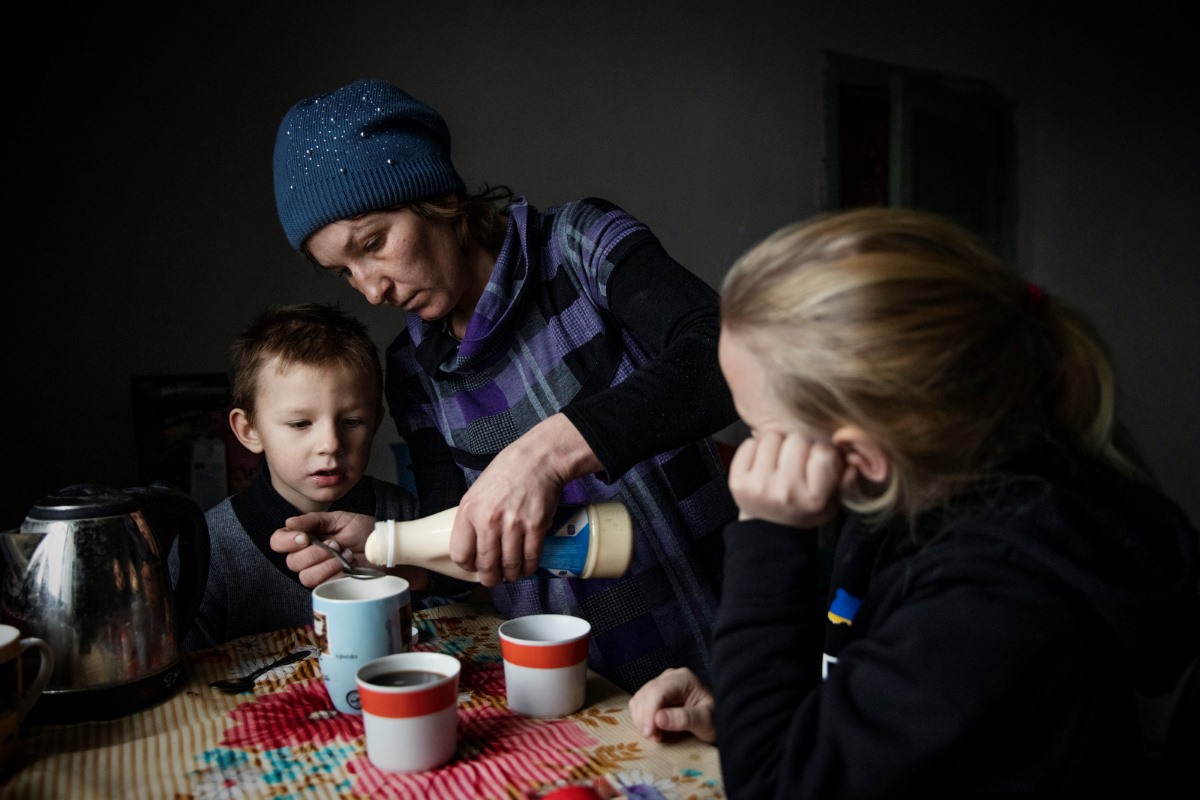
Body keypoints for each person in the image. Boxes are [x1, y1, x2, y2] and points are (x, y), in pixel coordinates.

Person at [628, 207, 1200, 795]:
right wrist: (746, 714)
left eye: (760, 429)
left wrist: (768, 535)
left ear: (862, 455)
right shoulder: (907, 504)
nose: (752, 451)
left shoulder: (996, 600)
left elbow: (780, 789)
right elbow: (890, 716)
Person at [267, 78, 739, 693]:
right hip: (573, 698)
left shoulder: (578, 246)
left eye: (375, 244)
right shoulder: (413, 370)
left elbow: (728, 355)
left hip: (723, 655)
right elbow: (469, 557)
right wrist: (387, 550)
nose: (372, 289)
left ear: (436, 197)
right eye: (344, 271)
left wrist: (544, 455)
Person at [169, 302, 418, 651]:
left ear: (375, 422)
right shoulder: (205, 548)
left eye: (351, 422)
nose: (330, 444)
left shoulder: (405, 517)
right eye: (300, 423)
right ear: (249, 430)